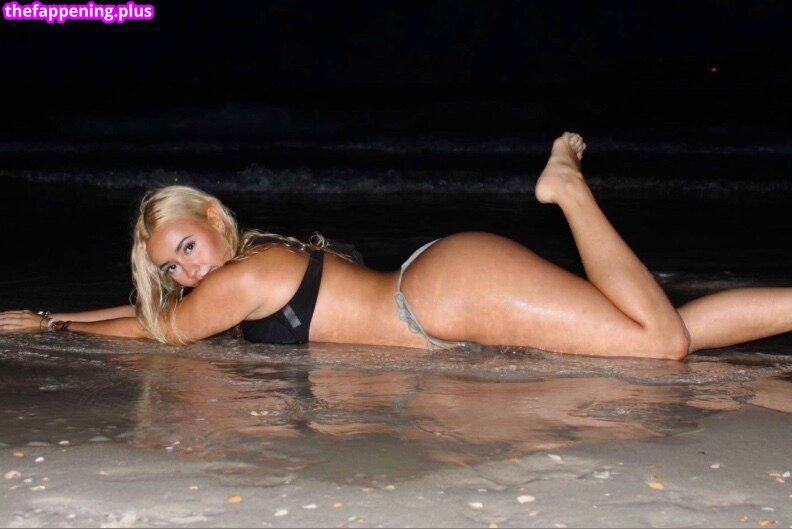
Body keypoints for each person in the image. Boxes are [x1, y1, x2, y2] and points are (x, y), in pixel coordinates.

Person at [1, 133, 791, 360]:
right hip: (442, 293)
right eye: (172, 266)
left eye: (185, 245)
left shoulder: (244, 274)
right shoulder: (243, 268)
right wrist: (56, 314)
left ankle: (568, 189)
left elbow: (162, 330)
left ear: (211, 215)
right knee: (662, 327)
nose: (187, 268)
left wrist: (52, 324)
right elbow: (159, 316)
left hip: (447, 292)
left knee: (658, 342)